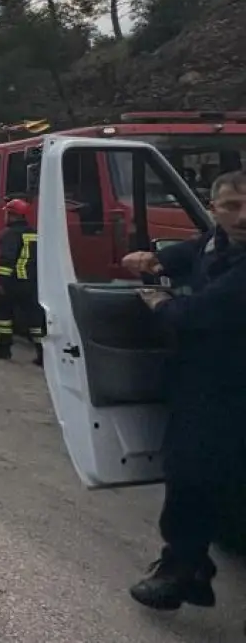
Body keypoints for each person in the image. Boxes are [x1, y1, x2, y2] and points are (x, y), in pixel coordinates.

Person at [123, 169, 246, 612]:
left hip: (230, 392)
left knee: (193, 475)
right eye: (232, 205)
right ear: (214, 209)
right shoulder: (218, 241)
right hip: (207, 386)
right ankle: (188, 566)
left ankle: (183, 568)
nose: (243, 215)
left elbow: (197, 314)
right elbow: (196, 249)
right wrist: (157, 261)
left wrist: (162, 303)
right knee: (195, 476)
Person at [0, 198, 45, 366]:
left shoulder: (9, 233)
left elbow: (6, 260)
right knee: (35, 318)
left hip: (13, 281)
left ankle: (3, 349)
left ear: (11, 215)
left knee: (1, 312)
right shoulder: (34, 232)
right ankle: (43, 355)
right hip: (31, 283)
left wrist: (0, 282)